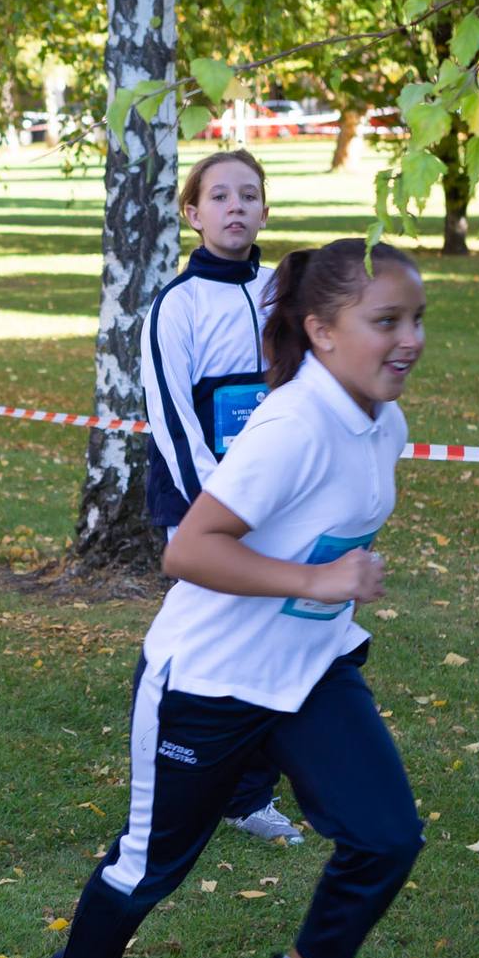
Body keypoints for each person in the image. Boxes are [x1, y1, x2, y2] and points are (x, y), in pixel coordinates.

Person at [13, 238, 430, 958]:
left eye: (416, 319)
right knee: (147, 871)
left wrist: (331, 585)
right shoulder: (291, 426)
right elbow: (189, 548)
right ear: (320, 331)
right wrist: (320, 578)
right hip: (208, 682)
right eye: (386, 321)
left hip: (308, 671)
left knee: (387, 835)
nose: (410, 339)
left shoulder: (381, 420)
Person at [137, 148, 303, 847]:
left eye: (249, 195)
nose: (236, 206)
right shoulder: (175, 306)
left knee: (269, 641)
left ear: (265, 209)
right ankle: (165, 776)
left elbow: (303, 395)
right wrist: (219, 510)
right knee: (198, 640)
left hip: (274, 501)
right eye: (221, 196)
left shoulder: (282, 295)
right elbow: (173, 419)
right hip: (201, 505)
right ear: (192, 213)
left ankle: (248, 796)